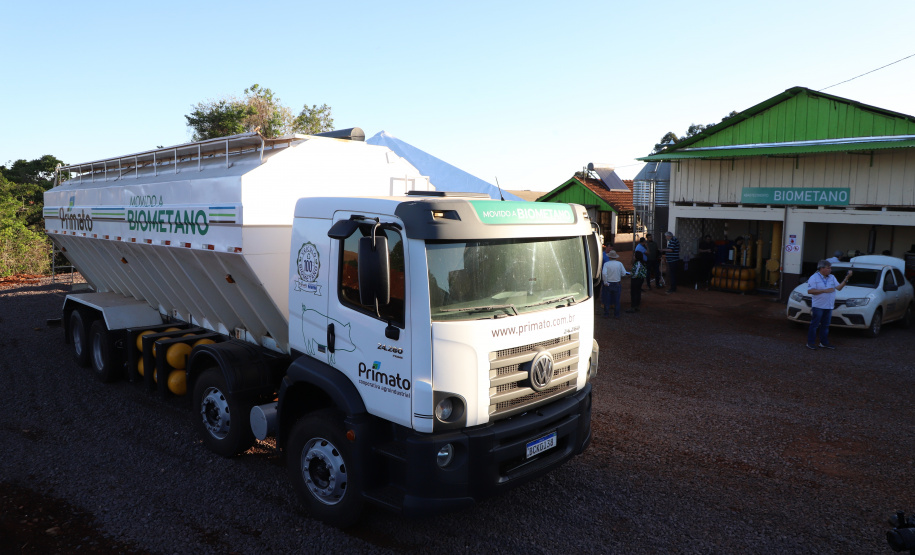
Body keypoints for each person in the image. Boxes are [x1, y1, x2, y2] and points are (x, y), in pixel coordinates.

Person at [805, 259, 851, 350]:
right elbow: (810, 291)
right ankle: (810, 343)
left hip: (829, 306)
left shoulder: (832, 277)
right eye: (828, 268)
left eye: (830, 268)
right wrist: (824, 290)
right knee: (814, 325)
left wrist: (847, 278)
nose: (830, 270)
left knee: (825, 325)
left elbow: (839, 288)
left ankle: (824, 343)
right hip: (818, 306)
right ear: (821, 268)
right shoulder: (814, 277)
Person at [601, 250, 626, 319]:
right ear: (615, 257)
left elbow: (604, 273)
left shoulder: (606, 264)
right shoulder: (619, 264)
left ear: (609, 257)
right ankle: (616, 314)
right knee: (617, 300)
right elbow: (624, 273)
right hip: (617, 283)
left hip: (608, 283)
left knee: (607, 300)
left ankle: (606, 314)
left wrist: (605, 282)